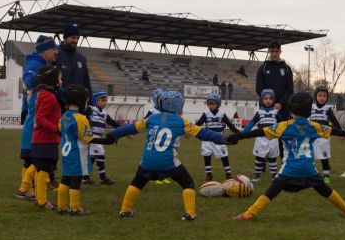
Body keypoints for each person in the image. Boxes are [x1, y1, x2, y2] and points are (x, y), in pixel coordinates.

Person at [226, 92, 345, 221]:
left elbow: (257, 132)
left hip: (289, 170)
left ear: (291, 109)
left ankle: (248, 214)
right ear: (309, 111)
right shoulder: (314, 126)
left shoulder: (283, 126)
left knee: (270, 193)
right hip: (309, 170)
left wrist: (236, 136)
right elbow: (333, 131)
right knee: (326, 191)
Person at [109, 90, 225, 220]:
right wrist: (222, 139)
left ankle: (124, 211)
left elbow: (131, 128)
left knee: (136, 183)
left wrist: (115, 134)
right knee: (188, 184)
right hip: (168, 162)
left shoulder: (151, 118)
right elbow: (203, 133)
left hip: (147, 161)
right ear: (177, 107)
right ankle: (190, 214)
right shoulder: (182, 122)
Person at [57, 85, 116, 215]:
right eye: (86, 101)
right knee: (75, 181)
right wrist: (107, 141)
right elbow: (89, 139)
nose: (86, 104)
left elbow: (59, 130)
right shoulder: (81, 119)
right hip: (77, 154)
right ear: (80, 101)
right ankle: (75, 208)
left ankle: (61, 207)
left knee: (65, 179)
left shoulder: (64, 116)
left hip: (66, 153)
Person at [16, 35, 58, 200]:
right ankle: (27, 188)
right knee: (33, 157)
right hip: (34, 120)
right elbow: (28, 80)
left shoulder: (43, 64)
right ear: (45, 50)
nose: (56, 52)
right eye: (54, 49)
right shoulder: (35, 64)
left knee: (33, 157)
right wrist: (39, 84)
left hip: (34, 119)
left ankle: (30, 187)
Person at [30, 65, 62, 210]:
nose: (61, 80)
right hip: (45, 140)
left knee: (40, 170)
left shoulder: (43, 94)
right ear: (53, 79)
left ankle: (39, 199)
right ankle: (42, 201)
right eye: (59, 78)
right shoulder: (48, 96)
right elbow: (41, 118)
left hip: (42, 140)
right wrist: (56, 129)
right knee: (43, 170)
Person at [195, 93, 240, 181]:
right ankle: (209, 175)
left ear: (218, 104)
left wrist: (238, 133)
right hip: (207, 139)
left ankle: (228, 174)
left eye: (213, 104)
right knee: (207, 156)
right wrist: (190, 130)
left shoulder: (222, 114)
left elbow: (230, 125)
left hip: (219, 139)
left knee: (224, 156)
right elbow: (198, 124)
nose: (211, 106)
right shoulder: (205, 113)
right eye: (209, 104)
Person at [83, 91, 122, 185]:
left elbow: (113, 123)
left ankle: (85, 177)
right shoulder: (91, 109)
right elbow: (83, 115)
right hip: (92, 136)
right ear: (95, 101)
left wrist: (124, 130)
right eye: (102, 100)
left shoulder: (105, 113)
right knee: (100, 155)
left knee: (92, 157)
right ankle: (102, 177)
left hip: (99, 137)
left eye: (106, 100)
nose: (104, 102)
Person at [242, 89, 282, 182]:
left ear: (273, 100)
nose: (268, 100)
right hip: (261, 139)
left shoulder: (276, 112)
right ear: (262, 100)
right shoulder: (259, 112)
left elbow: (282, 124)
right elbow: (252, 122)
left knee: (272, 159)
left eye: (270, 98)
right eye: (265, 98)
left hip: (273, 139)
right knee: (259, 158)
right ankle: (257, 176)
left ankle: (273, 176)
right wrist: (244, 132)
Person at [309, 86, 342, 184]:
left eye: (324, 96)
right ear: (316, 96)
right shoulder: (311, 107)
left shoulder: (328, 109)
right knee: (310, 158)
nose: (322, 98)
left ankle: (326, 176)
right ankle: (311, 175)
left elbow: (334, 121)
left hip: (324, 138)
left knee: (324, 158)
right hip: (312, 137)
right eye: (320, 95)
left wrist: (341, 133)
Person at [256, 40, 294, 121]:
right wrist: (268, 103)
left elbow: (290, 89)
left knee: (283, 132)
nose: (274, 54)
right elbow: (259, 88)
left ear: (280, 51)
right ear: (269, 51)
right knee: (265, 132)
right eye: (272, 51)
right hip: (266, 109)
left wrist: (281, 104)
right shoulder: (263, 68)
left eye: (276, 51)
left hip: (282, 109)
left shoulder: (286, 68)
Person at [56, 22, 92, 96]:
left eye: (77, 38)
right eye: (73, 37)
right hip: (61, 103)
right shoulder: (56, 55)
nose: (75, 41)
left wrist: (89, 103)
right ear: (65, 37)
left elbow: (87, 83)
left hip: (78, 104)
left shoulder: (81, 58)